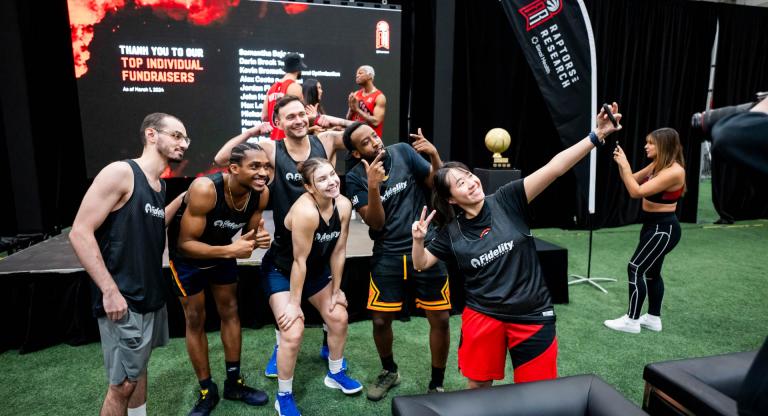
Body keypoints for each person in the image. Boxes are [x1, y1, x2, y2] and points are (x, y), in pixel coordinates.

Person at [411, 104, 623, 388]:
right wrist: (417, 240)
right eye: (460, 183)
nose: (471, 183)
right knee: (478, 391)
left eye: (469, 176)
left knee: (536, 395)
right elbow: (421, 263)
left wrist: (596, 136)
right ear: (451, 199)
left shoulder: (508, 198)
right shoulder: (452, 232)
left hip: (532, 315)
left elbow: (554, 168)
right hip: (483, 317)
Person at [214, 95, 351, 380]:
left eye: (302, 114)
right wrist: (253, 132)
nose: (299, 120)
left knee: (336, 313)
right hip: (286, 254)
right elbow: (222, 159)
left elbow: (367, 136)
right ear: (278, 123)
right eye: (290, 117)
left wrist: (335, 121)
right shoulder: (271, 150)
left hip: (320, 253)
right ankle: (280, 348)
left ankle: (332, 359)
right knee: (291, 321)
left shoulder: (324, 141)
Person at [69, 113, 190, 416]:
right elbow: (80, 232)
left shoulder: (160, 187)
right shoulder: (121, 173)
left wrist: (187, 197)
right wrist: (109, 291)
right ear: (151, 134)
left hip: (149, 293)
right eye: (176, 135)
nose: (183, 144)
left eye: (185, 138)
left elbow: (154, 223)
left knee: (138, 371)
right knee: (122, 384)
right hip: (122, 297)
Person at [342, 122, 450, 399]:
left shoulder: (402, 152)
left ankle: (436, 383)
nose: (375, 142)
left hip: (427, 248)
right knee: (380, 321)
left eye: (374, 136)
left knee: (439, 318)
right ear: (356, 153)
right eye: (365, 142)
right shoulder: (355, 177)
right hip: (387, 253)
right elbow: (376, 224)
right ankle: (389, 370)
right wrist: (374, 186)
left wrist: (435, 155)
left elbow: (438, 185)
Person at [167, 142, 272, 415]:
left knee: (231, 311)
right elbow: (185, 244)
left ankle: (234, 383)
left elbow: (249, 235)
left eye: (266, 166)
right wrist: (230, 250)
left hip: (222, 253)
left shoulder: (260, 194)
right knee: (195, 319)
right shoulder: (205, 189)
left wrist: (258, 239)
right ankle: (206, 390)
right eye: (255, 166)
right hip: (187, 260)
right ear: (234, 168)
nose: (263, 172)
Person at [263, 158, 362, 416]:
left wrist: (337, 290)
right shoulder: (306, 212)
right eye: (322, 179)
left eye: (332, 174)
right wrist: (295, 305)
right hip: (283, 272)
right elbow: (299, 261)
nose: (331, 182)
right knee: (293, 331)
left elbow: (339, 251)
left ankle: (335, 372)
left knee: (338, 315)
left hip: (316, 272)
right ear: (309, 187)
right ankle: (283, 396)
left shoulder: (343, 204)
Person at [604, 127, 685, 334]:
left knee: (635, 268)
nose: (646, 146)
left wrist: (625, 165)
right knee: (651, 272)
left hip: (664, 228)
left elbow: (635, 191)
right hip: (652, 226)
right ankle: (653, 318)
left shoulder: (675, 171)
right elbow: (633, 178)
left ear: (664, 146)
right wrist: (624, 166)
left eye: (651, 143)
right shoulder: (658, 165)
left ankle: (631, 321)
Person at [263, 52, 305, 140]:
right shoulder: (295, 87)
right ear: (299, 69)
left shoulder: (272, 88)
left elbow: (264, 117)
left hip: (274, 141)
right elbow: (300, 117)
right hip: (290, 140)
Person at [346, 65, 386, 138]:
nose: (357, 76)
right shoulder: (356, 94)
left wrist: (357, 110)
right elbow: (348, 119)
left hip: (371, 141)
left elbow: (376, 122)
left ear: (370, 76)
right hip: (355, 138)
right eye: (356, 74)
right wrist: (351, 110)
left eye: (360, 73)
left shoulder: (379, 97)